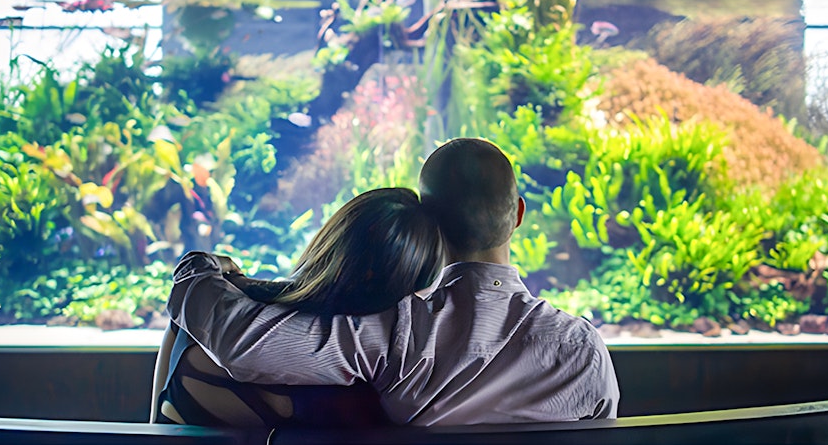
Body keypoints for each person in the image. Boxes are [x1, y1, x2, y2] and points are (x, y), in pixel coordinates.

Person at [166, 138, 620, 425]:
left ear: (430, 225)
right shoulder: (583, 350)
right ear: (518, 214)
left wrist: (198, 270)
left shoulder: (401, 330)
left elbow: (243, 345)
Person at [151, 187, 443, 426]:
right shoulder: (377, 371)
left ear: (333, 240)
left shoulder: (200, 312)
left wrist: (202, 266)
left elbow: (153, 430)